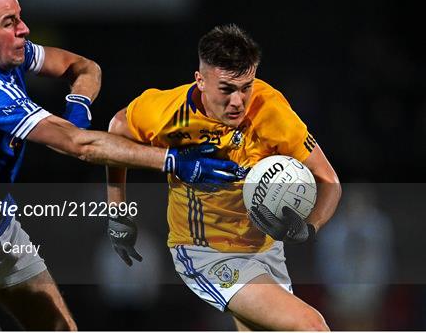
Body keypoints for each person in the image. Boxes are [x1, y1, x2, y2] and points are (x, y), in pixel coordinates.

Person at [0, 0, 240, 331]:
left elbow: (85, 67)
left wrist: (77, 106)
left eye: (20, 18)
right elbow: (80, 146)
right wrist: (175, 161)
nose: (24, 29)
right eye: (10, 22)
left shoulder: (1, 54)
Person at [106, 24, 342, 331]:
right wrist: (117, 214)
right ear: (200, 81)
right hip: (207, 253)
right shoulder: (165, 112)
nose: (238, 101)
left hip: (265, 249)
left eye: (246, 87)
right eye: (227, 89)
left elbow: (328, 179)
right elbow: (116, 130)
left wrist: (308, 229)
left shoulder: (271, 110)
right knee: (311, 326)